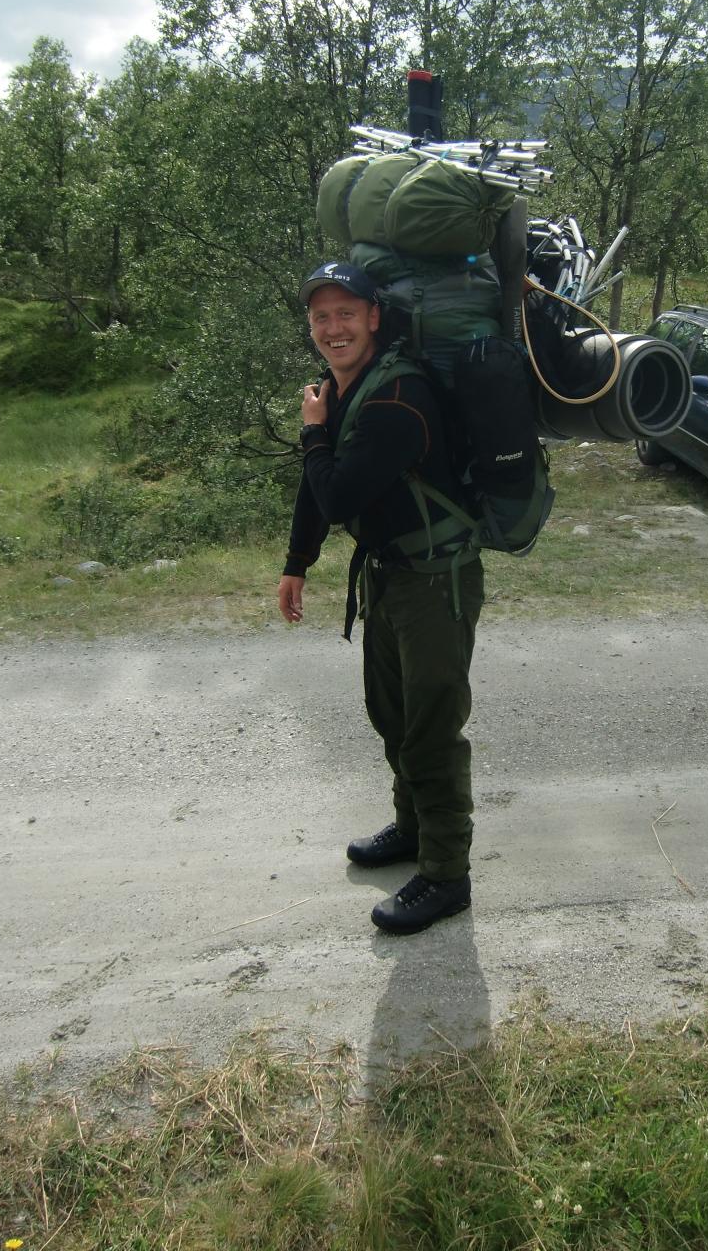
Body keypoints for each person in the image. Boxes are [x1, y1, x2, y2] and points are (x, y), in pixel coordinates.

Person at [278, 262, 485, 935]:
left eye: (346, 313)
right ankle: (413, 828)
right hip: (391, 574)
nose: (332, 328)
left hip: (436, 581)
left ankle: (447, 875)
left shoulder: (397, 396)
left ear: (373, 317)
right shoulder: (345, 388)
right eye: (321, 317)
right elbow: (319, 485)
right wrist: (297, 563)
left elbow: (338, 494)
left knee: (431, 729)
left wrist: (312, 432)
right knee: (392, 713)